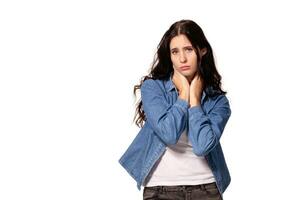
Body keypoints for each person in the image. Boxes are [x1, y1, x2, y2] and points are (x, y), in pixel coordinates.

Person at [119, 19, 231, 200]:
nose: (182, 59)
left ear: (202, 50)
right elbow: (169, 134)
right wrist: (183, 94)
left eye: (188, 49)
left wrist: (195, 100)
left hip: (206, 189)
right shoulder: (153, 88)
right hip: (159, 189)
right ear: (169, 56)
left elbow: (202, 146)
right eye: (175, 52)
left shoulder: (218, 101)